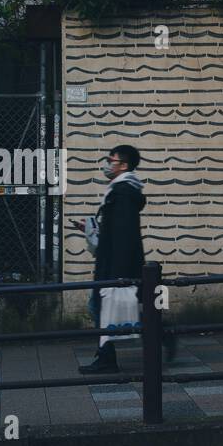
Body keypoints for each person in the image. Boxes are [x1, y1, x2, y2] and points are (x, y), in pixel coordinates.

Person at [71, 145, 146, 374]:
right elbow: (118, 230)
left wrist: (117, 274)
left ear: (123, 165)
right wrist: (91, 229)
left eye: (111, 160)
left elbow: (124, 234)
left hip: (114, 265)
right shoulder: (122, 190)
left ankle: (107, 359)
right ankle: (162, 334)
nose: (107, 163)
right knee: (111, 308)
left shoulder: (122, 192)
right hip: (114, 261)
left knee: (98, 307)